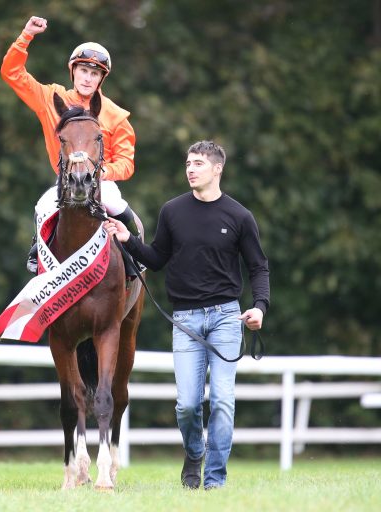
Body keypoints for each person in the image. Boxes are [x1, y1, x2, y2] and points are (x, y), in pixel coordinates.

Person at [104, 140, 270, 490]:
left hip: (227, 318)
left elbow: (258, 267)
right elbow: (157, 259)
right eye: (188, 163)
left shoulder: (240, 216)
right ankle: (195, 453)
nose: (190, 169)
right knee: (188, 406)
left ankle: (214, 481)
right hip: (186, 320)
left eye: (197, 163)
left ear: (216, 169)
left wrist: (259, 306)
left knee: (223, 402)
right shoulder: (172, 211)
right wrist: (127, 239)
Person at [1, 15, 140, 275]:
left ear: (101, 79)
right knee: (42, 207)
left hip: (101, 182)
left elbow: (126, 162)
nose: (88, 78)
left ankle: (135, 256)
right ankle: (37, 253)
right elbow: (12, 73)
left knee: (117, 204)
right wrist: (26, 36)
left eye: (94, 74)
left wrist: (102, 172)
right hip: (65, 180)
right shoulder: (51, 98)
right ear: (73, 71)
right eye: (83, 71)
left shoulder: (116, 115)